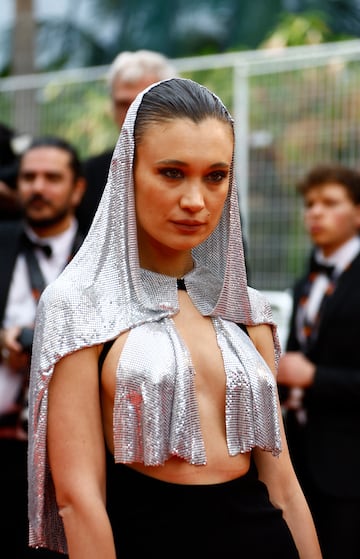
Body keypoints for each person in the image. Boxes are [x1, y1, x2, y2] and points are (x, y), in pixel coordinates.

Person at [28, 78, 321, 558]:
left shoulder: (245, 308)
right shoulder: (78, 304)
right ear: (128, 174)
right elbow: (78, 501)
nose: (195, 201)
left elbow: (283, 484)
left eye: (215, 175)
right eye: (171, 172)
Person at [0, 135, 86, 558]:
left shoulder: (106, 255)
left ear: (78, 189)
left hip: (75, 447)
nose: (38, 187)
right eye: (28, 177)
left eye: (52, 177)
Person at [277, 163, 360, 559]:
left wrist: (315, 378)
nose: (315, 212)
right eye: (310, 204)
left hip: (350, 464)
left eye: (330, 203)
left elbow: (312, 369)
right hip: (303, 454)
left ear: (358, 213)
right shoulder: (307, 280)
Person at [77, 49, 177, 234]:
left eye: (143, 102)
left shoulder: (202, 172)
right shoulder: (90, 174)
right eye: (123, 104)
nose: (132, 114)